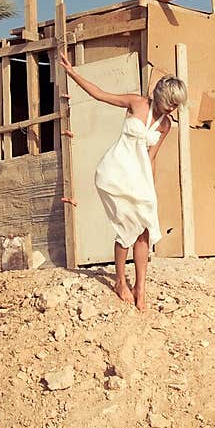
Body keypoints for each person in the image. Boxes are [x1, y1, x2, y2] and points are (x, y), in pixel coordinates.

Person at [57, 50, 187, 311]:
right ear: (160, 94)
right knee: (127, 229)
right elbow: (100, 94)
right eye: (170, 101)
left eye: (176, 103)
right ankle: (119, 281)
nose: (172, 107)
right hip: (114, 173)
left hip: (139, 178)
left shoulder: (166, 125)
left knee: (145, 230)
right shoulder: (137, 103)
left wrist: (152, 190)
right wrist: (72, 73)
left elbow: (152, 157)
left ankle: (141, 287)